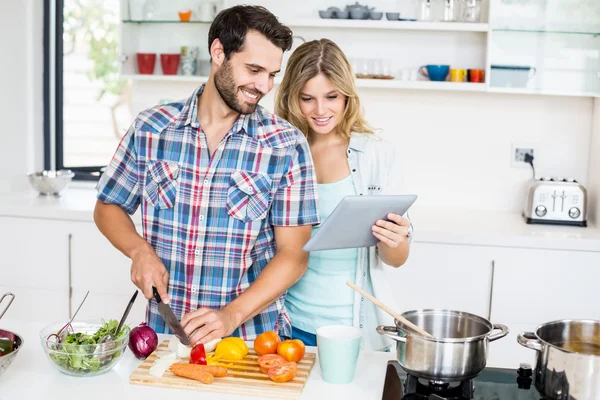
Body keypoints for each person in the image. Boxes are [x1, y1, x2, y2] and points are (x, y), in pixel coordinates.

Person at [94, 5, 320, 345]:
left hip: (249, 342)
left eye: (272, 74)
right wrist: (139, 251)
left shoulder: (286, 145)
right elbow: (108, 206)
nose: (264, 85)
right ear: (218, 52)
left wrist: (232, 315)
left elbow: (295, 255)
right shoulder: (152, 129)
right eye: (254, 69)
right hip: (164, 337)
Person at [275, 39, 413, 351]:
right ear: (291, 97)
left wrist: (395, 239)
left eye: (331, 97)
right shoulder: (280, 152)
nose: (320, 110)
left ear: (347, 95)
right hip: (288, 324)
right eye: (307, 98)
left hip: (355, 330)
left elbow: (397, 259)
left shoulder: (377, 154)